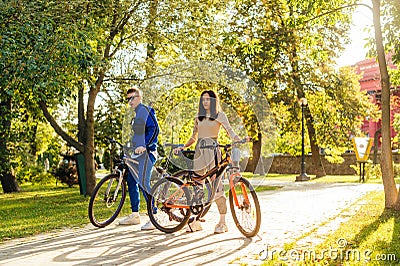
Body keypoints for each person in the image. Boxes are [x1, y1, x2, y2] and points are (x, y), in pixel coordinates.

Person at [174, 90, 241, 234]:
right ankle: (196, 221)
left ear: (213, 101)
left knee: (217, 188)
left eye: (208, 99)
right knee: (198, 188)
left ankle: (222, 222)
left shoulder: (219, 115)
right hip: (199, 152)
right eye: (203, 99)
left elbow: (230, 131)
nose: (205, 102)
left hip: (213, 152)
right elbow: (194, 137)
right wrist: (183, 146)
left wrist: (237, 139)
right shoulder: (198, 117)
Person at [119, 87, 159, 231]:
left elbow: (155, 130)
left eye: (132, 98)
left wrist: (145, 145)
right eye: (128, 99)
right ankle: (135, 214)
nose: (130, 101)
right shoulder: (136, 115)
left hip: (148, 153)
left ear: (139, 98)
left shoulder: (146, 110)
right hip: (137, 154)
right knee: (131, 180)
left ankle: (154, 216)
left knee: (143, 182)